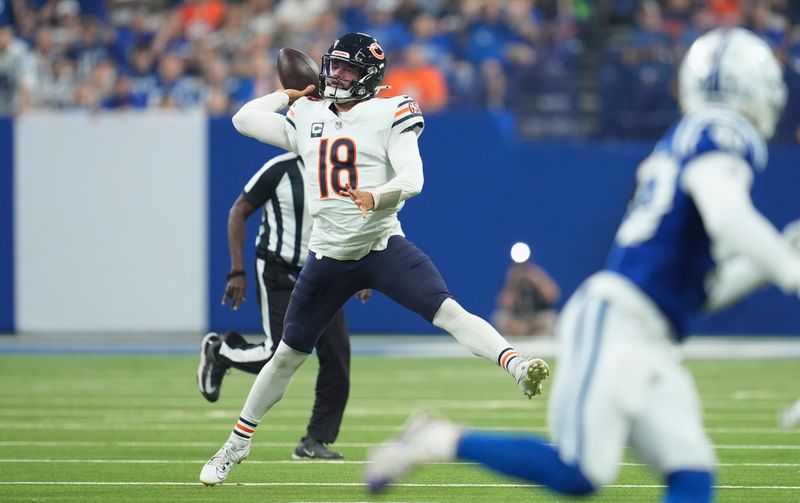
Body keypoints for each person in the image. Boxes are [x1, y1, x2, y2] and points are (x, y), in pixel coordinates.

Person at [364, 27, 800, 503]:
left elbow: (707, 289)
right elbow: (728, 214)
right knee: (579, 470)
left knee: (693, 474)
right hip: (621, 321)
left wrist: (777, 255)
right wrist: (787, 267)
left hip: (650, 332)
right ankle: (440, 440)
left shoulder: (696, 140)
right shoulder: (721, 130)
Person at [199, 31, 550, 486]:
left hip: (382, 245)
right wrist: (287, 94)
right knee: (286, 356)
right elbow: (244, 119)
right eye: (333, 66)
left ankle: (517, 364)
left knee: (447, 309)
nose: (336, 75)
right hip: (327, 256)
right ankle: (236, 444)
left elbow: (414, 177)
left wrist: (376, 196)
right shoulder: (307, 114)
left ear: (369, 76)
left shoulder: (390, 111)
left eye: (347, 69)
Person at [197, 152, 370, 460]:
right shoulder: (281, 169)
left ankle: (315, 440)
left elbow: (357, 219)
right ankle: (221, 351)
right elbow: (238, 211)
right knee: (279, 353)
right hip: (279, 271)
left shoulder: (340, 168)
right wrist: (237, 271)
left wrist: (363, 270)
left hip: (324, 271)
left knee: (337, 356)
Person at [492, 259, 560, 336]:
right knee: (499, 318)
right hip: (517, 320)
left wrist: (536, 279)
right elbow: (504, 304)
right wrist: (512, 282)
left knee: (551, 318)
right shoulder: (512, 278)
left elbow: (552, 297)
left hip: (537, 320)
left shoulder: (537, 275)